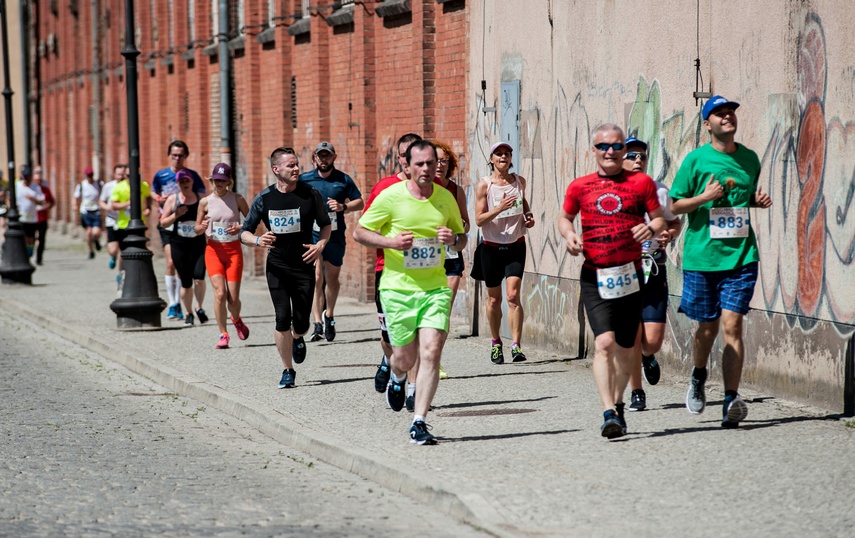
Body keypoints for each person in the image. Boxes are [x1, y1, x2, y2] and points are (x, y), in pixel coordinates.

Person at [354, 140, 467, 445]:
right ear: (407, 166)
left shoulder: (445, 198)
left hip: (434, 289)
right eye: (420, 164)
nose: (427, 169)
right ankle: (398, 375)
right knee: (405, 357)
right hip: (398, 290)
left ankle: (419, 421)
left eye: (431, 163)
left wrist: (453, 237)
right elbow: (359, 232)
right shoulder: (390, 197)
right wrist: (391, 243)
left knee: (431, 351)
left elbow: (461, 239)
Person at [558, 124, 666, 439]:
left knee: (625, 347)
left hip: (630, 275)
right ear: (594, 150)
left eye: (617, 146)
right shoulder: (580, 186)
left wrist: (651, 227)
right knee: (603, 343)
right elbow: (564, 217)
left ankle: (618, 403)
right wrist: (569, 236)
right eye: (603, 146)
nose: (610, 151)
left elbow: (659, 217)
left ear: (624, 150)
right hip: (595, 275)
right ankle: (608, 411)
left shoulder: (641, 182)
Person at [670, 96, 772, 428]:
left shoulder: (749, 159)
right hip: (702, 258)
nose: (728, 116)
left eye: (731, 112)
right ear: (707, 123)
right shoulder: (696, 161)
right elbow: (675, 206)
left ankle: (730, 399)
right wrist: (703, 198)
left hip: (742, 256)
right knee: (707, 328)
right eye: (719, 112)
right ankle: (699, 376)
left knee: (732, 325)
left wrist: (755, 202)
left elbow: (741, 200)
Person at [240, 147, 331, 388]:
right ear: (276, 169)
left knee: (301, 323)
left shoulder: (310, 194)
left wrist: (321, 244)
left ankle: (298, 337)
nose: (296, 168)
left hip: (304, 266)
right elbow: (244, 232)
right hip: (277, 266)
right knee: (282, 318)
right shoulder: (265, 198)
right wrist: (258, 240)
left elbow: (325, 225)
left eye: (297, 164)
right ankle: (287, 370)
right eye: (290, 165)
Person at [621, 137, 683, 412]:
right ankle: (637, 392)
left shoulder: (659, 191)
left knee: (652, 340)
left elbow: (674, 221)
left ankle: (648, 356)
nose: (637, 160)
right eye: (631, 155)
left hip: (653, 267)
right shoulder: (612, 192)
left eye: (641, 156)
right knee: (631, 334)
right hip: (624, 269)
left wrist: (670, 234)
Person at [367, 133, 423, 411]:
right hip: (388, 274)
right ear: (399, 157)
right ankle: (391, 364)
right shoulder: (384, 189)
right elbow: (365, 230)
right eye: (403, 155)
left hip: (423, 275)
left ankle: (413, 389)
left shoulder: (435, 190)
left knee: (419, 336)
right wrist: (392, 239)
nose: (406, 160)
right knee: (392, 338)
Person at [471, 141, 535, 364]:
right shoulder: (484, 186)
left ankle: (516, 345)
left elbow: (523, 202)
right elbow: (479, 220)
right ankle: (496, 342)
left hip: (516, 245)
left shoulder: (519, 181)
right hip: (491, 248)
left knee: (512, 296)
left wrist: (528, 214)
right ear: (491, 160)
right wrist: (499, 209)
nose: (503, 157)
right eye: (498, 154)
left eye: (506, 154)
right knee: (494, 300)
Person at [299, 141, 364, 343]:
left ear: (334, 157)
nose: (323, 159)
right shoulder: (304, 179)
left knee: (332, 278)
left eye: (327, 155)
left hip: (335, 235)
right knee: (317, 276)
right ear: (314, 158)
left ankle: (329, 316)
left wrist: (342, 207)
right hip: (313, 236)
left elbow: (359, 202)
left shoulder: (343, 180)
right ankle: (317, 323)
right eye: (320, 155)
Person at [197, 163, 251, 348]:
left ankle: (236, 319)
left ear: (229, 181)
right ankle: (223, 334)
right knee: (220, 293)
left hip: (233, 251)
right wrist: (201, 227)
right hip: (213, 250)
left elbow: (253, 220)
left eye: (222, 180)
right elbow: (197, 229)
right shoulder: (205, 202)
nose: (218, 183)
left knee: (233, 298)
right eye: (215, 180)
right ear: (211, 180)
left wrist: (240, 227)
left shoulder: (237, 199)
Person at [152, 140, 207, 320]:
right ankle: (174, 303)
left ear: (185, 156)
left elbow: (203, 196)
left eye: (180, 155)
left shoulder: (193, 175)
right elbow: (152, 192)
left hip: (188, 223)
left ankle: (186, 305)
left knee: (187, 270)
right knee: (170, 263)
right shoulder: (161, 175)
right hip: (168, 223)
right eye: (174, 155)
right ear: (169, 155)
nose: (177, 158)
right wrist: (160, 198)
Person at [431, 140, 470, 380]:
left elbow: (466, 223)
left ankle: (436, 360)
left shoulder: (456, 190)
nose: (440, 165)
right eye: (436, 160)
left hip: (452, 252)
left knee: (443, 309)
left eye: (444, 161)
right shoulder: (423, 190)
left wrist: (456, 227)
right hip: (427, 255)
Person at [159, 169, 209, 326]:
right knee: (186, 283)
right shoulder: (173, 200)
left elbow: (211, 218)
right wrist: (176, 214)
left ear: (192, 181)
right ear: (178, 184)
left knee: (199, 278)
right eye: (181, 182)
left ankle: (199, 307)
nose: (185, 184)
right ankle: (188, 313)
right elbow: (163, 222)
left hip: (198, 244)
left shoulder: (202, 199)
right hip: (179, 245)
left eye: (187, 180)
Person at [111, 165, 153, 286]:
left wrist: (148, 208)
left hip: (140, 224)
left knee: (141, 251)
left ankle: (138, 277)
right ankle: (122, 274)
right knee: (124, 252)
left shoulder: (143, 186)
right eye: (129, 175)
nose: (132, 177)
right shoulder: (119, 187)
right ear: (125, 175)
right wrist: (128, 203)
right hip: (124, 225)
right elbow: (114, 205)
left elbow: (148, 197)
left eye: (136, 175)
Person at [100, 164, 127, 271]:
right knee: (113, 249)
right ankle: (112, 256)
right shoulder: (108, 186)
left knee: (123, 251)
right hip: (112, 220)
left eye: (122, 174)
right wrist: (108, 207)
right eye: (118, 174)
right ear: (114, 175)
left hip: (124, 221)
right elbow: (101, 201)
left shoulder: (128, 186)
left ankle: (120, 275)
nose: (120, 177)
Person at [73, 166, 103, 259]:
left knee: (96, 232)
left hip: (96, 211)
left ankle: (96, 240)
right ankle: (91, 251)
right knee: (88, 232)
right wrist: (74, 205)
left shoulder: (99, 184)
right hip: (85, 211)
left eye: (91, 175)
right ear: (86, 175)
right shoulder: (81, 185)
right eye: (88, 175)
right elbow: (76, 197)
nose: (90, 177)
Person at [16, 165, 44, 257]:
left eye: (28, 176)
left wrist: (33, 199)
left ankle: (29, 252)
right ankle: (24, 253)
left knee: (31, 238)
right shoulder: (18, 186)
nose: (27, 178)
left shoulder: (36, 187)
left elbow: (41, 202)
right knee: (23, 236)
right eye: (25, 176)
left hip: (32, 218)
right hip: (21, 217)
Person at [33, 166, 55, 266]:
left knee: (42, 239)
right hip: (32, 218)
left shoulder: (45, 189)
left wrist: (48, 206)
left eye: (39, 180)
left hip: (42, 217)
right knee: (31, 239)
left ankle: (39, 258)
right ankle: (30, 253)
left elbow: (52, 202)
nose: (38, 181)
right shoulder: (30, 189)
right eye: (36, 179)